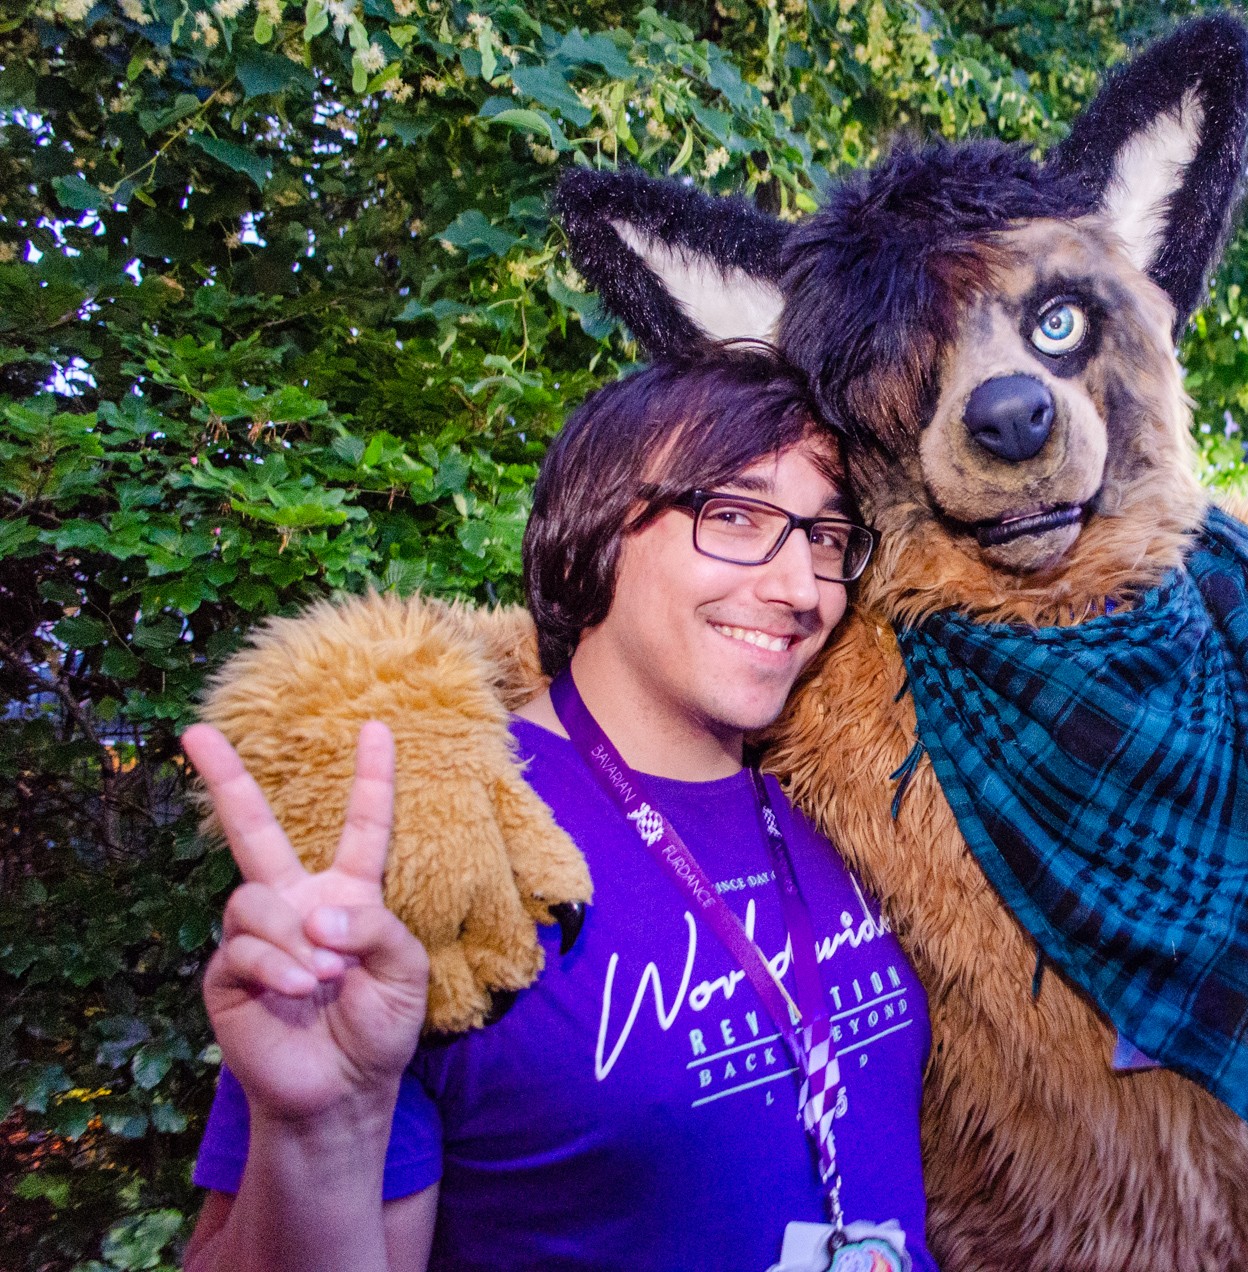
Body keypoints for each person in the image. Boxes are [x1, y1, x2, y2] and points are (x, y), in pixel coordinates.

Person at [179, 348, 938, 1271]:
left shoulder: (843, 799)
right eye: (735, 516)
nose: (800, 589)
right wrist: (319, 1137)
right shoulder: (440, 833)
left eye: (826, 536)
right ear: (593, 531)